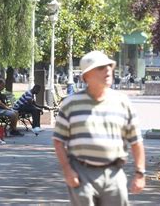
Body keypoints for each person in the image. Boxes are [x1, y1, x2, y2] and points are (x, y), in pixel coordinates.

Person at [53, 51, 145, 205]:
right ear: (86, 76)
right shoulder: (71, 104)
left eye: (109, 66)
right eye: (101, 67)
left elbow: (136, 141)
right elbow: (58, 140)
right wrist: (67, 170)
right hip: (81, 172)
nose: (108, 70)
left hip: (114, 172)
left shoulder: (122, 102)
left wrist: (140, 173)